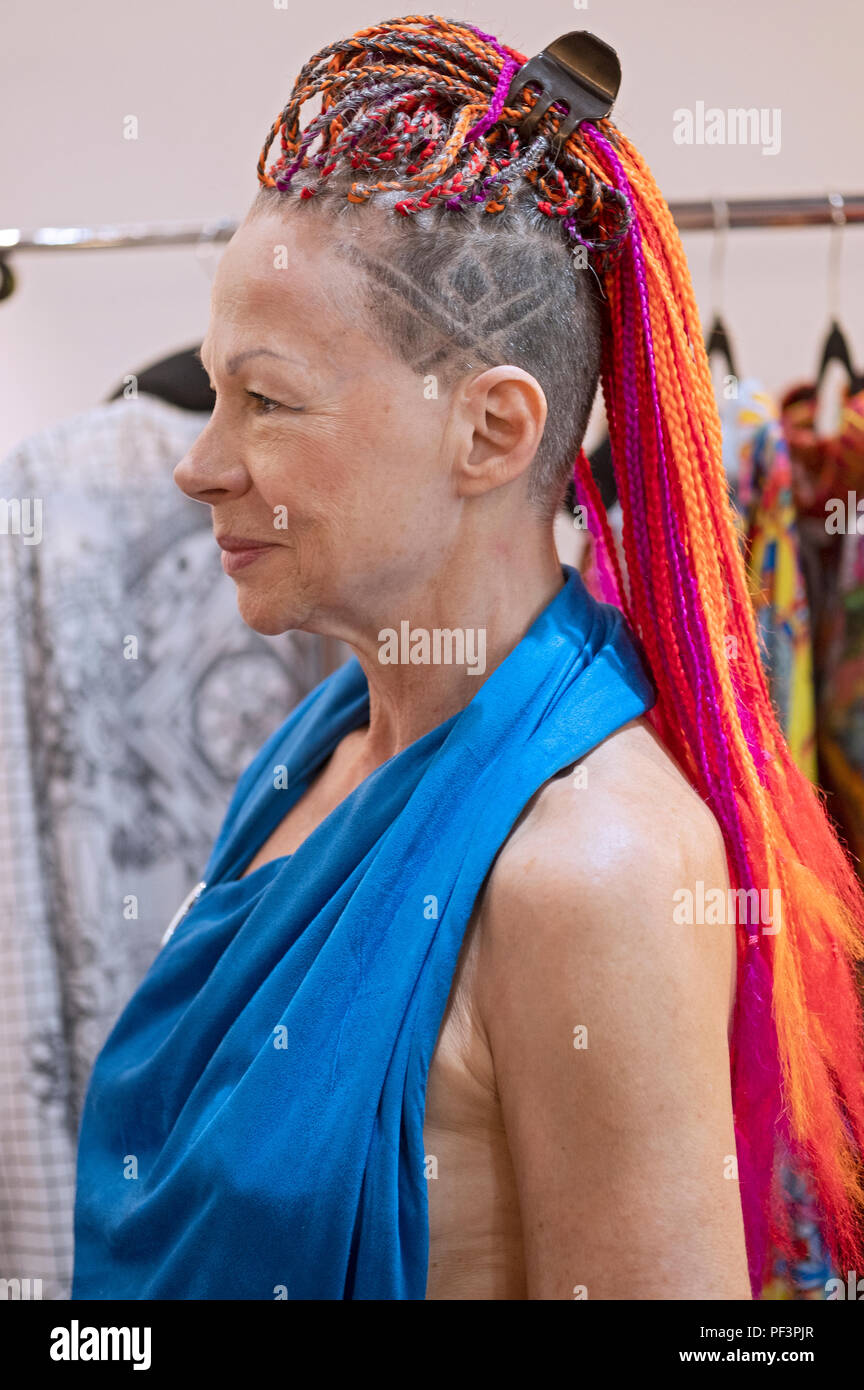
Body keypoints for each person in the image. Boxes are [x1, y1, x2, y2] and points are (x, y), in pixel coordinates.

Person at [71, 16, 864, 1301]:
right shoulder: (320, 746)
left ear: (492, 430)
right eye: (215, 394)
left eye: (265, 401)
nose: (197, 463)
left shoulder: (588, 874)